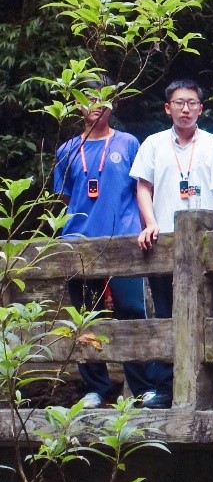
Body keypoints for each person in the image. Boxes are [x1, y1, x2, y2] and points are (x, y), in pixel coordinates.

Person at [53, 80, 147, 408]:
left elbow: (141, 190)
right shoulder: (66, 150)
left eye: (103, 98)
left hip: (124, 239)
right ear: (77, 104)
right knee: (86, 317)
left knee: (132, 311)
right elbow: (66, 198)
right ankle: (96, 387)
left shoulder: (129, 143)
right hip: (80, 242)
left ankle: (141, 387)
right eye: (88, 98)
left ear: (114, 103)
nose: (95, 104)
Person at [132, 79, 213, 408]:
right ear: (167, 107)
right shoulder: (153, 144)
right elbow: (143, 187)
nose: (186, 109)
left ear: (201, 108)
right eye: (179, 103)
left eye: (192, 103)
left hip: (207, 243)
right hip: (165, 241)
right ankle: (163, 387)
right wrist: (150, 223)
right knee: (165, 313)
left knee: (212, 313)